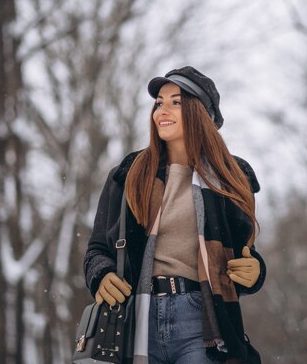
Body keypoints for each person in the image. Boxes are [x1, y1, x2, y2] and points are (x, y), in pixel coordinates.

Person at [83, 66, 266, 364]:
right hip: (134, 320)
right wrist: (100, 275)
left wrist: (255, 272)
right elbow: (96, 250)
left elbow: (245, 257)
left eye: (175, 102)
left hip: (202, 320)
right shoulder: (129, 174)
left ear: (199, 113)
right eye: (159, 103)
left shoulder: (231, 177)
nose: (161, 110)